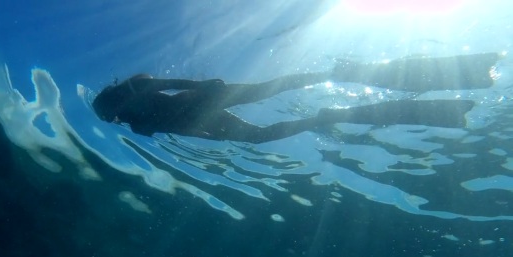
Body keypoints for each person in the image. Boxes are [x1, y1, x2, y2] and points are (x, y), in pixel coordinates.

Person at [92, 53, 498, 143]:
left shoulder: (130, 95)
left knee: (277, 90)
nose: (113, 118)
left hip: (199, 107)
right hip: (200, 117)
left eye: (109, 115)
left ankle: (335, 76)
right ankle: (325, 111)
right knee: (264, 130)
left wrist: (202, 87)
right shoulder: (131, 117)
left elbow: (158, 82)